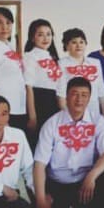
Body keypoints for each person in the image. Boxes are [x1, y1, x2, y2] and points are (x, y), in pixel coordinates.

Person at [34, 77, 104, 208]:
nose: (79, 99)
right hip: (58, 183)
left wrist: (92, 176)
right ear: (66, 96)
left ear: (90, 98)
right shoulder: (52, 124)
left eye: (84, 95)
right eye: (74, 94)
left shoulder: (99, 122)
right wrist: (40, 198)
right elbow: (39, 164)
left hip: (85, 181)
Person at [23, 18, 61, 146]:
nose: (45, 38)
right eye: (40, 34)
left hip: (53, 102)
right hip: (39, 101)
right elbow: (28, 87)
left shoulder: (52, 57)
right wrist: (32, 116)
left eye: (48, 34)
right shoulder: (30, 56)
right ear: (32, 38)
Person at [57, 28, 104, 117]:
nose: (78, 45)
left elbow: (101, 90)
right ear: (67, 46)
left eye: (81, 42)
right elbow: (61, 93)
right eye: (74, 42)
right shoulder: (62, 63)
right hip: (72, 110)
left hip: (93, 110)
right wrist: (66, 117)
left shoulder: (95, 62)